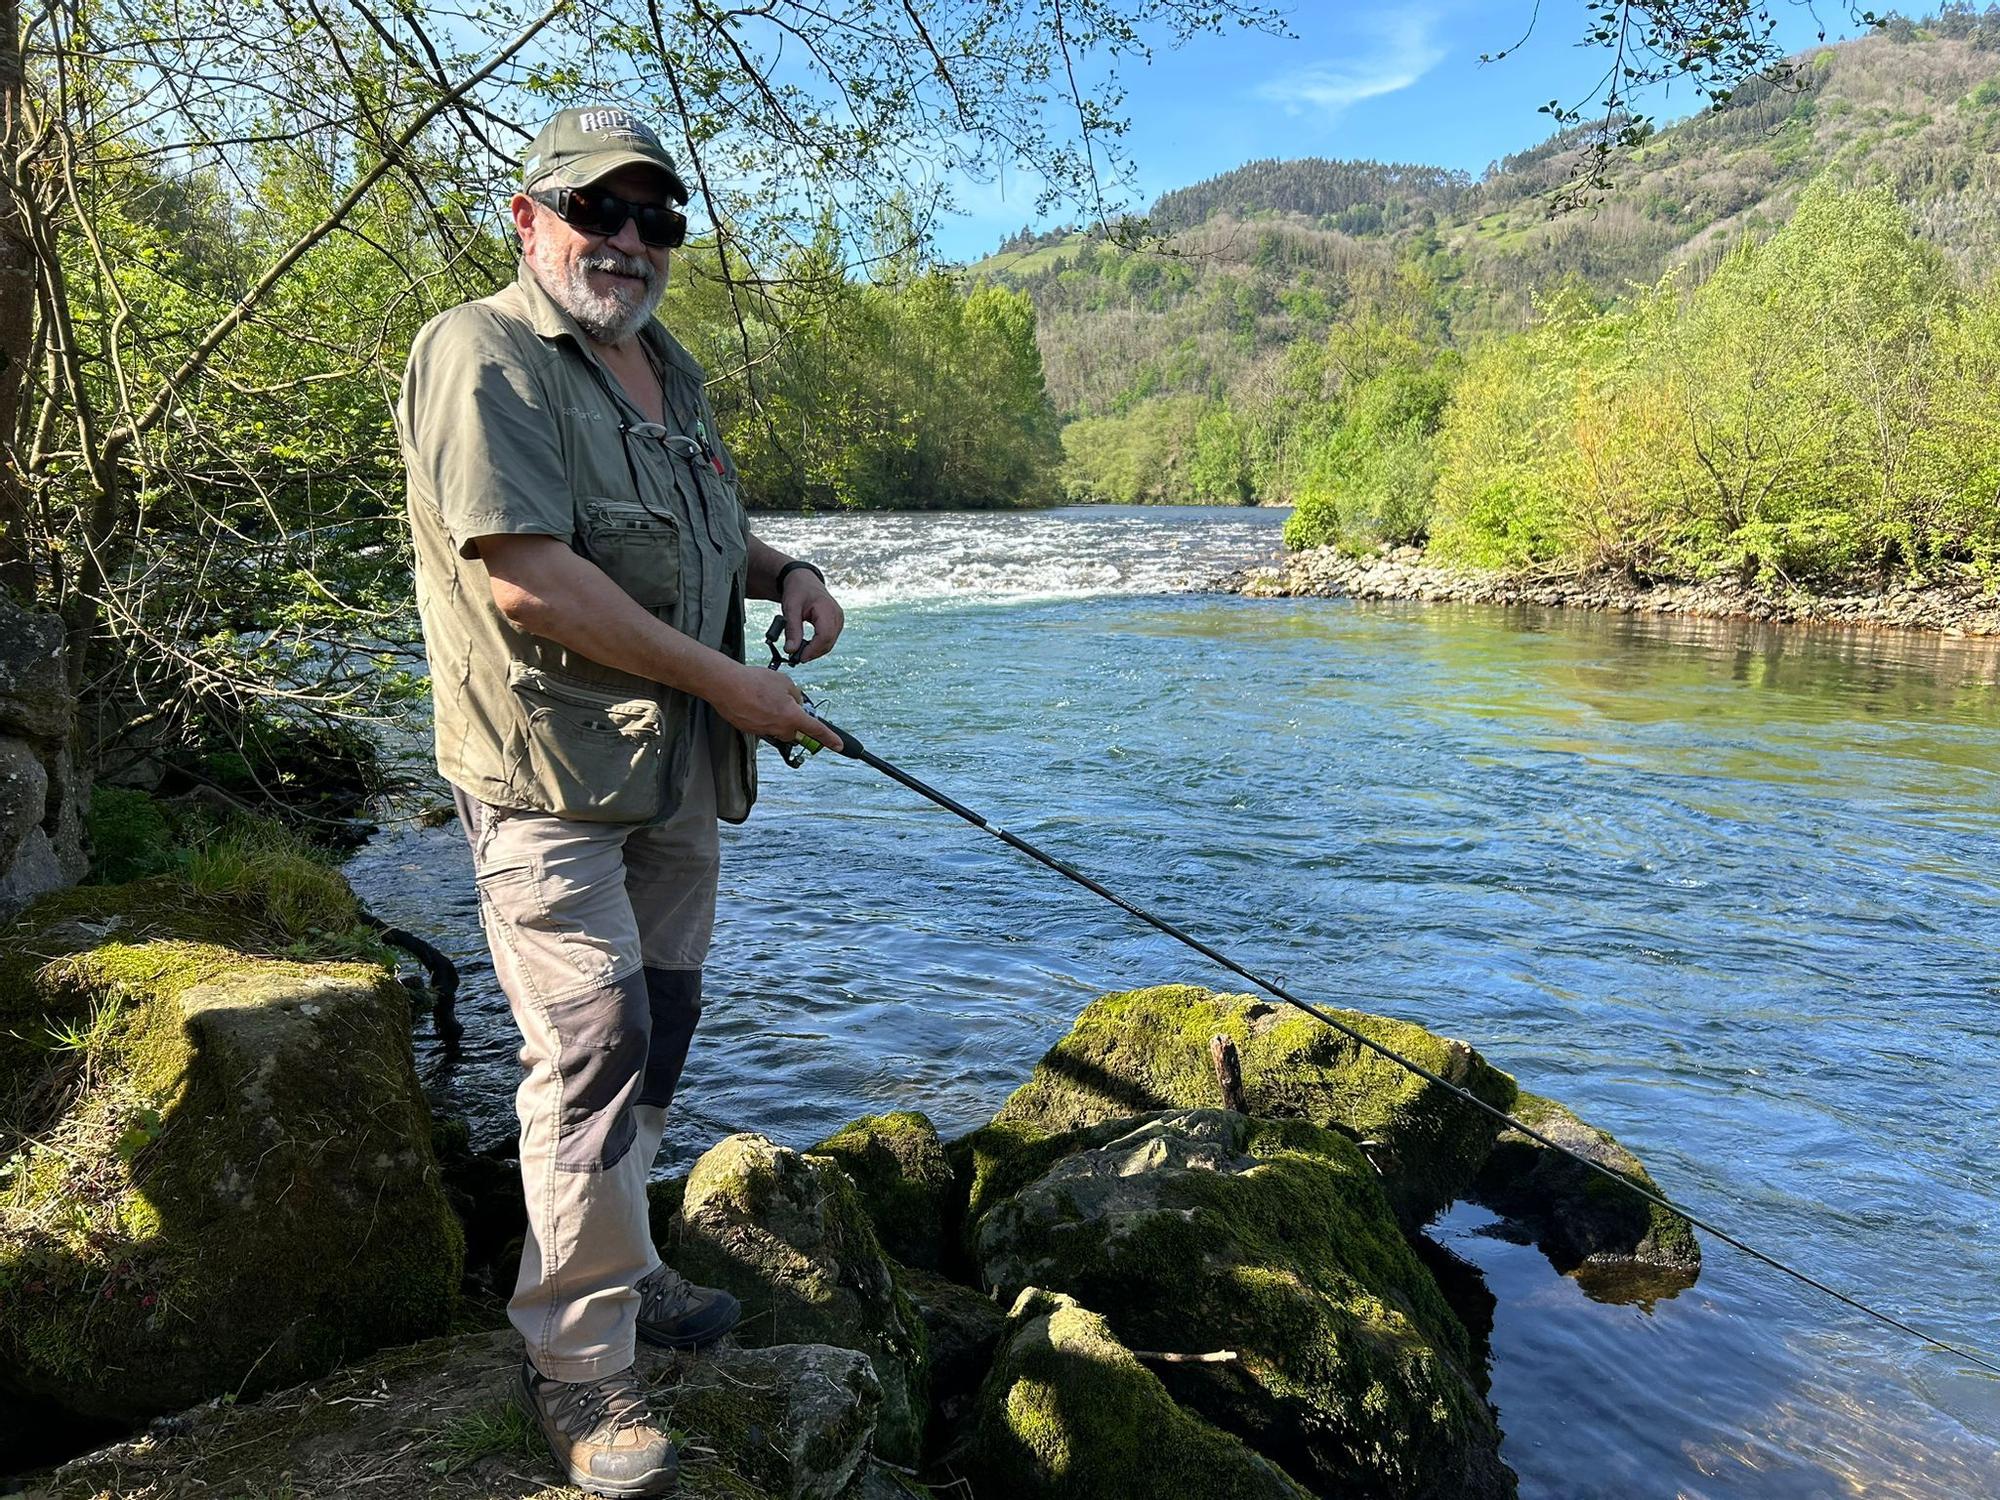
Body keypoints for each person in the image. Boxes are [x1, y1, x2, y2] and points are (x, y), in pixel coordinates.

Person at [398, 105, 844, 1498]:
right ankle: (583, 1369)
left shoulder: (666, 368)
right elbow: (529, 573)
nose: (630, 243)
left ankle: (617, 1264)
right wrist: (734, 681)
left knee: (662, 1025)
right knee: (590, 1047)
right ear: (528, 218)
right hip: (546, 782)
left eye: (658, 221)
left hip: (671, 783)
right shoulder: (479, 353)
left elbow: (695, 521)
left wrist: (785, 576)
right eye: (600, 212)